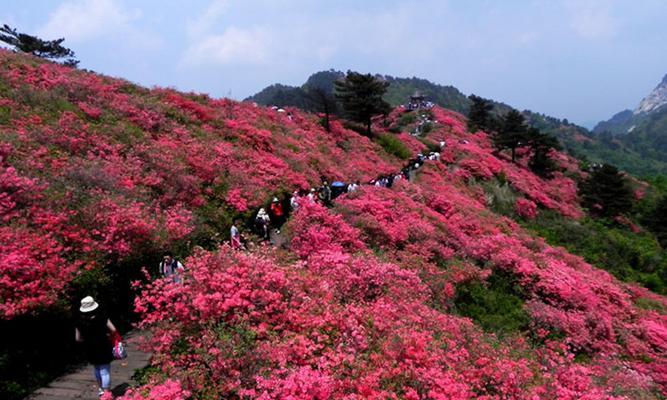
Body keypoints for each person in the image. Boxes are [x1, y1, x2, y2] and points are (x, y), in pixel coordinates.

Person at [75, 296, 118, 397]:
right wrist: (108, 335)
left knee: (97, 369)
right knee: (105, 371)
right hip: (103, 346)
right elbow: (114, 330)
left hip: (90, 348)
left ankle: (101, 390)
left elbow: (77, 339)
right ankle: (107, 392)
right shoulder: (102, 317)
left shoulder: (79, 322)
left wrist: (87, 340)